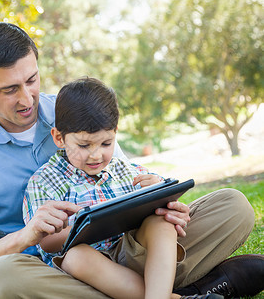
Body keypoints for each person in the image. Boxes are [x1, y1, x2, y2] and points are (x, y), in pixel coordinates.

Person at [0, 21, 264, 299]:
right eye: (9, 90)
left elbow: (123, 182)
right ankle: (192, 289)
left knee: (232, 206)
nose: (27, 99)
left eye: (32, 80)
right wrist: (27, 235)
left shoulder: (71, 109)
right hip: (51, 274)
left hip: (124, 251)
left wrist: (162, 202)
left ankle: (155, 290)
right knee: (1, 278)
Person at [22, 77, 223, 299]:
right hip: (84, 273)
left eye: (106, 143)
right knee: (76, 256)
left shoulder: (129, 171)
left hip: (133, 257)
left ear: (115, 133)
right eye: (84, 145)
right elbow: (47, 243)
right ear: (59, 138)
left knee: (164, 221)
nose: (96, 155)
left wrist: (164, 199)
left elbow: (166, 212)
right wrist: (95, 223)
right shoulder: (44, 181)